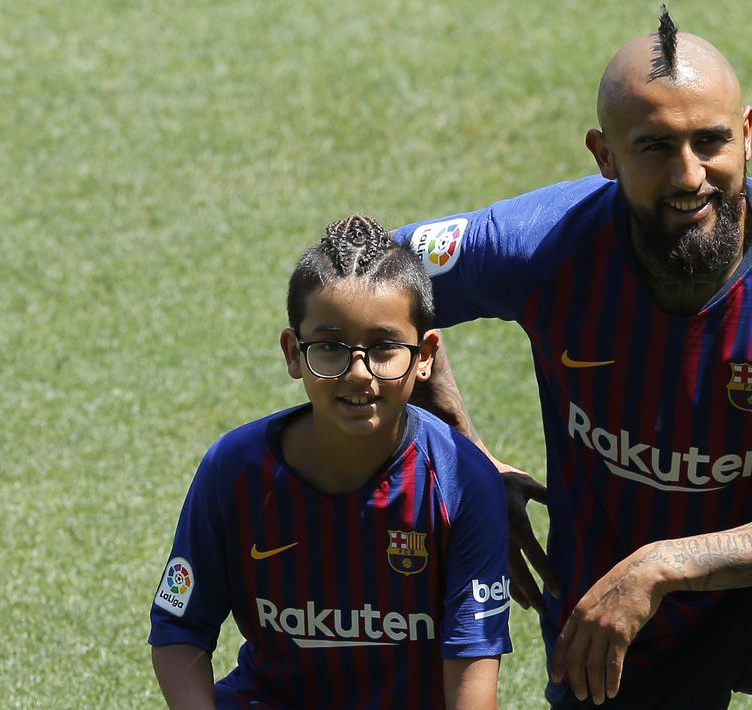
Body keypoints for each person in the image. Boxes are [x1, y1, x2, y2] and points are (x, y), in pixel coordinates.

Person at [395, 8, 752, 709]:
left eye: (711, 140)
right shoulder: (542, 243)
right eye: (655, 147)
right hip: (609, 615)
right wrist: (464, 458)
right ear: (604, 156)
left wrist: (666, 564)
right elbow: (363, 273)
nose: (689, 174)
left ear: (748, 135)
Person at [149, 216, 513, 709]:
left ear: (424, 354)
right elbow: (180, 630)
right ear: (293, 353)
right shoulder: (233, 470)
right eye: (329, 347)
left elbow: (471, 674)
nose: (358, 373)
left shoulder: (464, 484)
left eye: (384, 347)